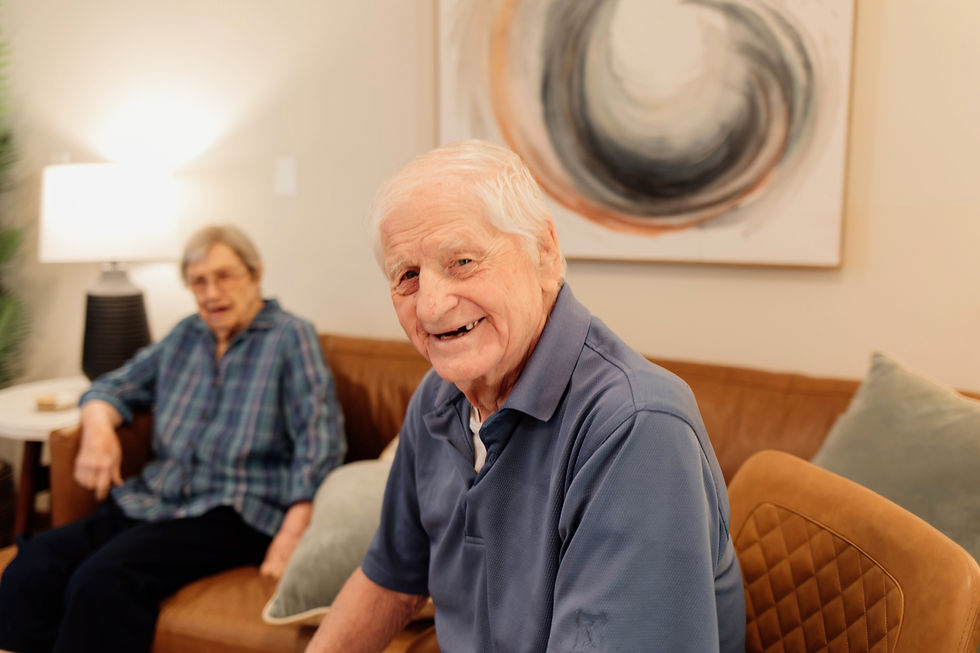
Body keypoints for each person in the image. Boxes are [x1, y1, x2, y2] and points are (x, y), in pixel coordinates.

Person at [306, 140, 744, 653]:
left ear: (545, 253)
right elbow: (390, 580)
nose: (429, 306)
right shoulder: (437, 400)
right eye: (407, 276)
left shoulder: (635, 427)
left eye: (462, 261)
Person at [0, 224, 346, 653]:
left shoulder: (291, 337)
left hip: (233, 509)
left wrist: (294, 530)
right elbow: (112, 386)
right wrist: (97, 426)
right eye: (199, 281)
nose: (211, 292)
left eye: (224, 276)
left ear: (255, 276)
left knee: (104, 580)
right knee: (32, 566)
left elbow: (321, 439)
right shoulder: (186, 335)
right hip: (155, 498)